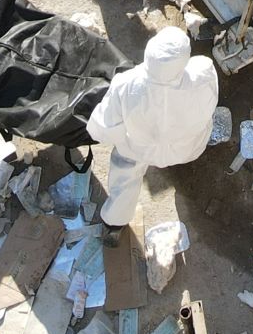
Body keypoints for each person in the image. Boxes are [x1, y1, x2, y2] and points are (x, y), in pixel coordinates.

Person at [85, 27, 217, 233]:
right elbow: (210, 108)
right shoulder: (203, 73)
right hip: (186, 149)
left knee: (125, 169)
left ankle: (114, 222)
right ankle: (178, 167)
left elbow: (103, 130)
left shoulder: (126, 83)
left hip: (139, 150)